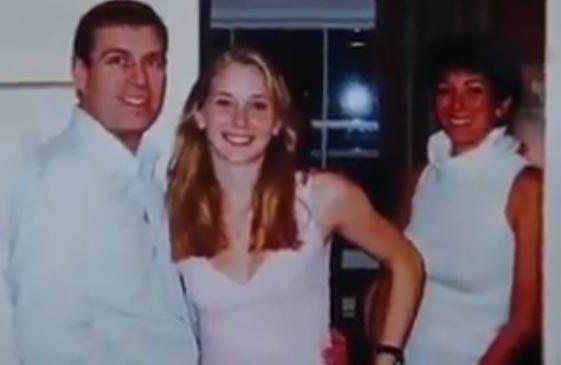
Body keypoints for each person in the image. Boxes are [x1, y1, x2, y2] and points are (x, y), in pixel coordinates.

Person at [166, 46, 424, 365]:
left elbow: (406, 261)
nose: (240, 120)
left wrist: (387, 357)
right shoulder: (174, 210)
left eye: (258, 105)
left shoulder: (321, 196)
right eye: (224, 102)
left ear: (277, 122)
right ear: (199, 115)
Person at [2, 1, 198, 364]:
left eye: (153, 62)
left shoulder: (143, 177)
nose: (139, 78)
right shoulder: (61, 180)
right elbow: (48, 345)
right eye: (118, 60)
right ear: (80, 73)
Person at [392, 35, 542, 365]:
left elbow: (524, 321)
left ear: (501, 105)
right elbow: (390, 280)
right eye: (446, 91)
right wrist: (386, 355)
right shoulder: (419, 179)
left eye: (474, 90)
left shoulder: (525, 187)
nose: (457, 105)